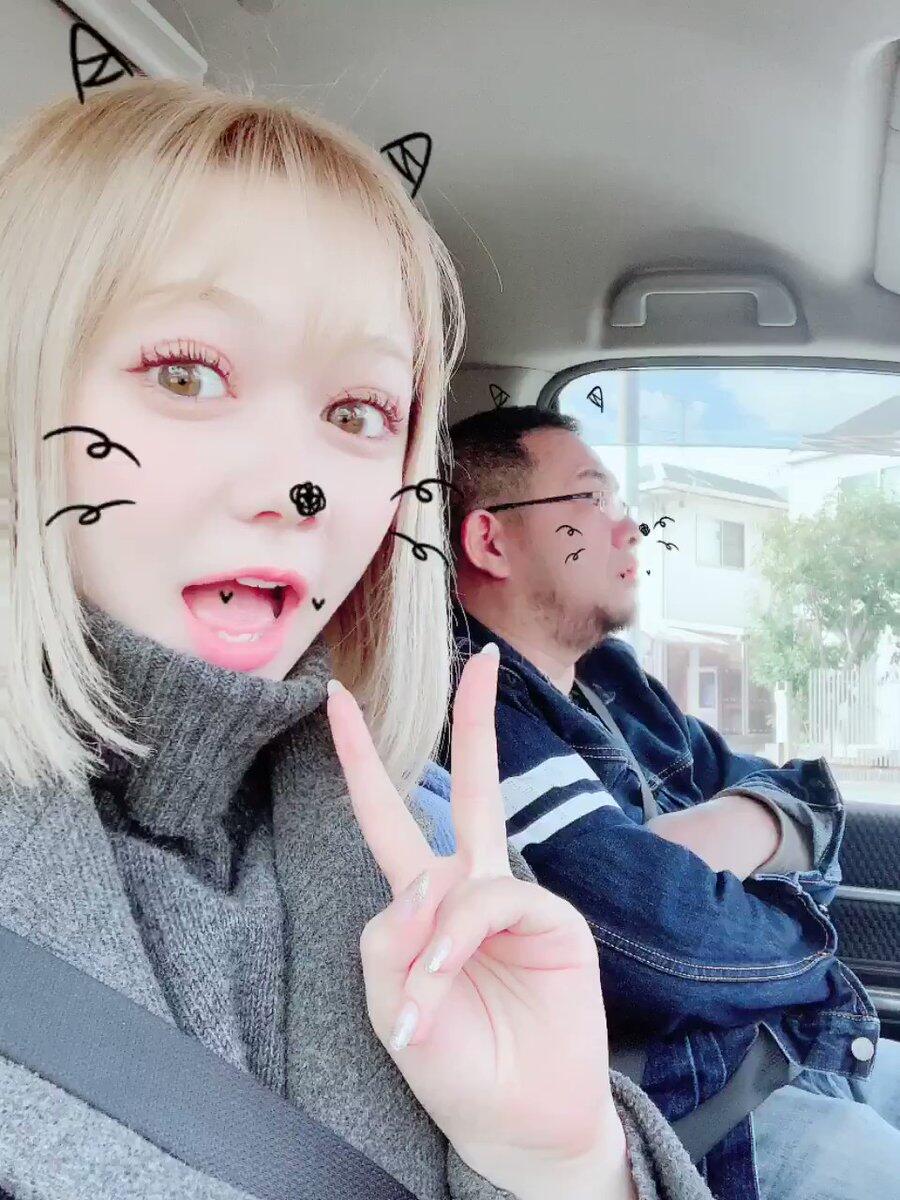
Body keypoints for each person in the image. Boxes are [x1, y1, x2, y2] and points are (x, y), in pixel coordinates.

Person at [0, 80, 715, 1200]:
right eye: (187, 374)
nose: (301, 488)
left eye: (357, 415)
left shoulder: (421, 842)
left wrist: (561, 1162)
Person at [442, 404, 900, 1200]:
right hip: (707, 1120)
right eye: (591, 500)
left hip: (791, 1047)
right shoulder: (478, 715)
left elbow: (811, 803)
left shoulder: (618, 686)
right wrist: (788, 912)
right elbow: (674, 948)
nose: (630, 529)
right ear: (490, 540)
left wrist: (728, 828)